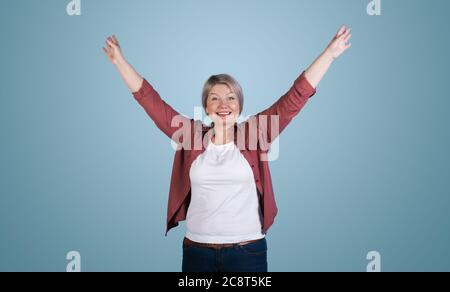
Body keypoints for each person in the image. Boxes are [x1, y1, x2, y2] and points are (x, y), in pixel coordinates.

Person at [102, 25, 352, 272]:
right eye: (215, 98)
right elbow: (151, 102)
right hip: (196, 251)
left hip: (247, 252)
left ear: (240, 105)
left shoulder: (256, 133)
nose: (224, 104)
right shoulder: (189, 135)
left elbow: (295, 97)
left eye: (231, 97)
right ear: (206, 107)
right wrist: (119, 62)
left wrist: (329, 54)